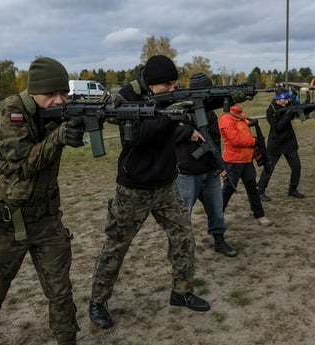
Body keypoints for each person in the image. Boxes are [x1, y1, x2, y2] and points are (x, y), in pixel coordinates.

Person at [0, 57, 83, 345]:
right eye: (50, 95)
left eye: (63, 94)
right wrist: (60, 137)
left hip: (46, 220)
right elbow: (22, 165)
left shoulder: (58, 112)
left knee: (61, 292)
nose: (58, 101)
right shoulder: (11, 111)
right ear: (33, 93)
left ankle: (68, 340)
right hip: (6, 222)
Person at [89, 55, 210, 330]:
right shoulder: (125, 97)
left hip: (166, 183)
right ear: (152, 83)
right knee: (116, 246)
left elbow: (176, 128)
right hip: (134, 188)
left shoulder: (170, 96)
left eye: (174, 84)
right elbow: (138, 136)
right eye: (167, 85)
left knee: (183, 236)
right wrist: (172, 115)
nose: (172, 89)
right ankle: (97, 301)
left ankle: (182, 291)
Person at [174, 72, 237, 257]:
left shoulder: (209, 114)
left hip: (209, 172)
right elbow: (168, 133)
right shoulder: (178, 109)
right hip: (186, 173)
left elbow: (215, 141)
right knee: (182, 215)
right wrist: (189, 132)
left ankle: (219, 240)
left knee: (217, 210)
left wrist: (220, 165)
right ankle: (178, 248)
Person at [219, 100, 272, 227]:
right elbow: (235, 139)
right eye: (241, 102)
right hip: (233, 161)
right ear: (234, 103)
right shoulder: (226, 118)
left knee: (252, 188)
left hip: (246, 159)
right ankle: (217, 217)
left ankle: (259, 214)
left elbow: (244, 128)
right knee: (227, 190)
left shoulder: (239, 116)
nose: (243, 104)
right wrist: (253, 142)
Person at [257, 88, 305, 201]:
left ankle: (293, 189)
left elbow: (300, 112)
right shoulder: (270, 111)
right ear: (277, 99)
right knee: (269, 168)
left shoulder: (289, 104)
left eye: (287, 99)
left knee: (296, 167)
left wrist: (306, 108)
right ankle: (260, 191)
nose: (287, 102)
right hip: (276, 143)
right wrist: (289, 114)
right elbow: (277, 127)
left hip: (289, 142)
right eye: (284, 99)